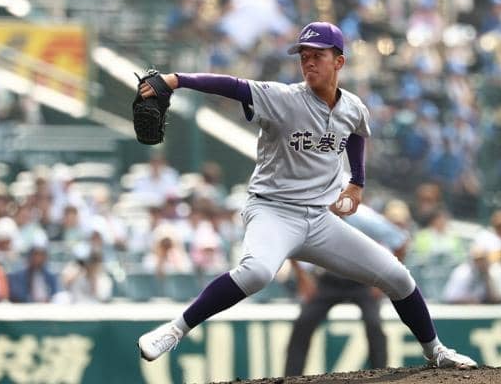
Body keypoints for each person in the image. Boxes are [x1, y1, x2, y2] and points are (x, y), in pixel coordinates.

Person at [136, 21, 477, 369]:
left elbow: (357, 132)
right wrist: (176, 80)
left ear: (339, 62)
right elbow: (233, 86)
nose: (308, 62)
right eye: (304, 56)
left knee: (399, 277)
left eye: (318, 55)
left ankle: (436, 351)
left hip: (318, 219)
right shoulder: (283, 98)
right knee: (256, 273)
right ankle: (175, 330)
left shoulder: (353, 106)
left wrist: (357, 182)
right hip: (272, 211)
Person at [284, 203, 408, 375]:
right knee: (303, 322)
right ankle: (290, 377)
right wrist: (302, 277)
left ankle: (381, 374)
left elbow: (400, 241)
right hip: (329, 280)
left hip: (363, 280)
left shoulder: (364, 217)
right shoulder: (315, 213)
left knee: (374, 323)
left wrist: (386, 281)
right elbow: (290, 241)